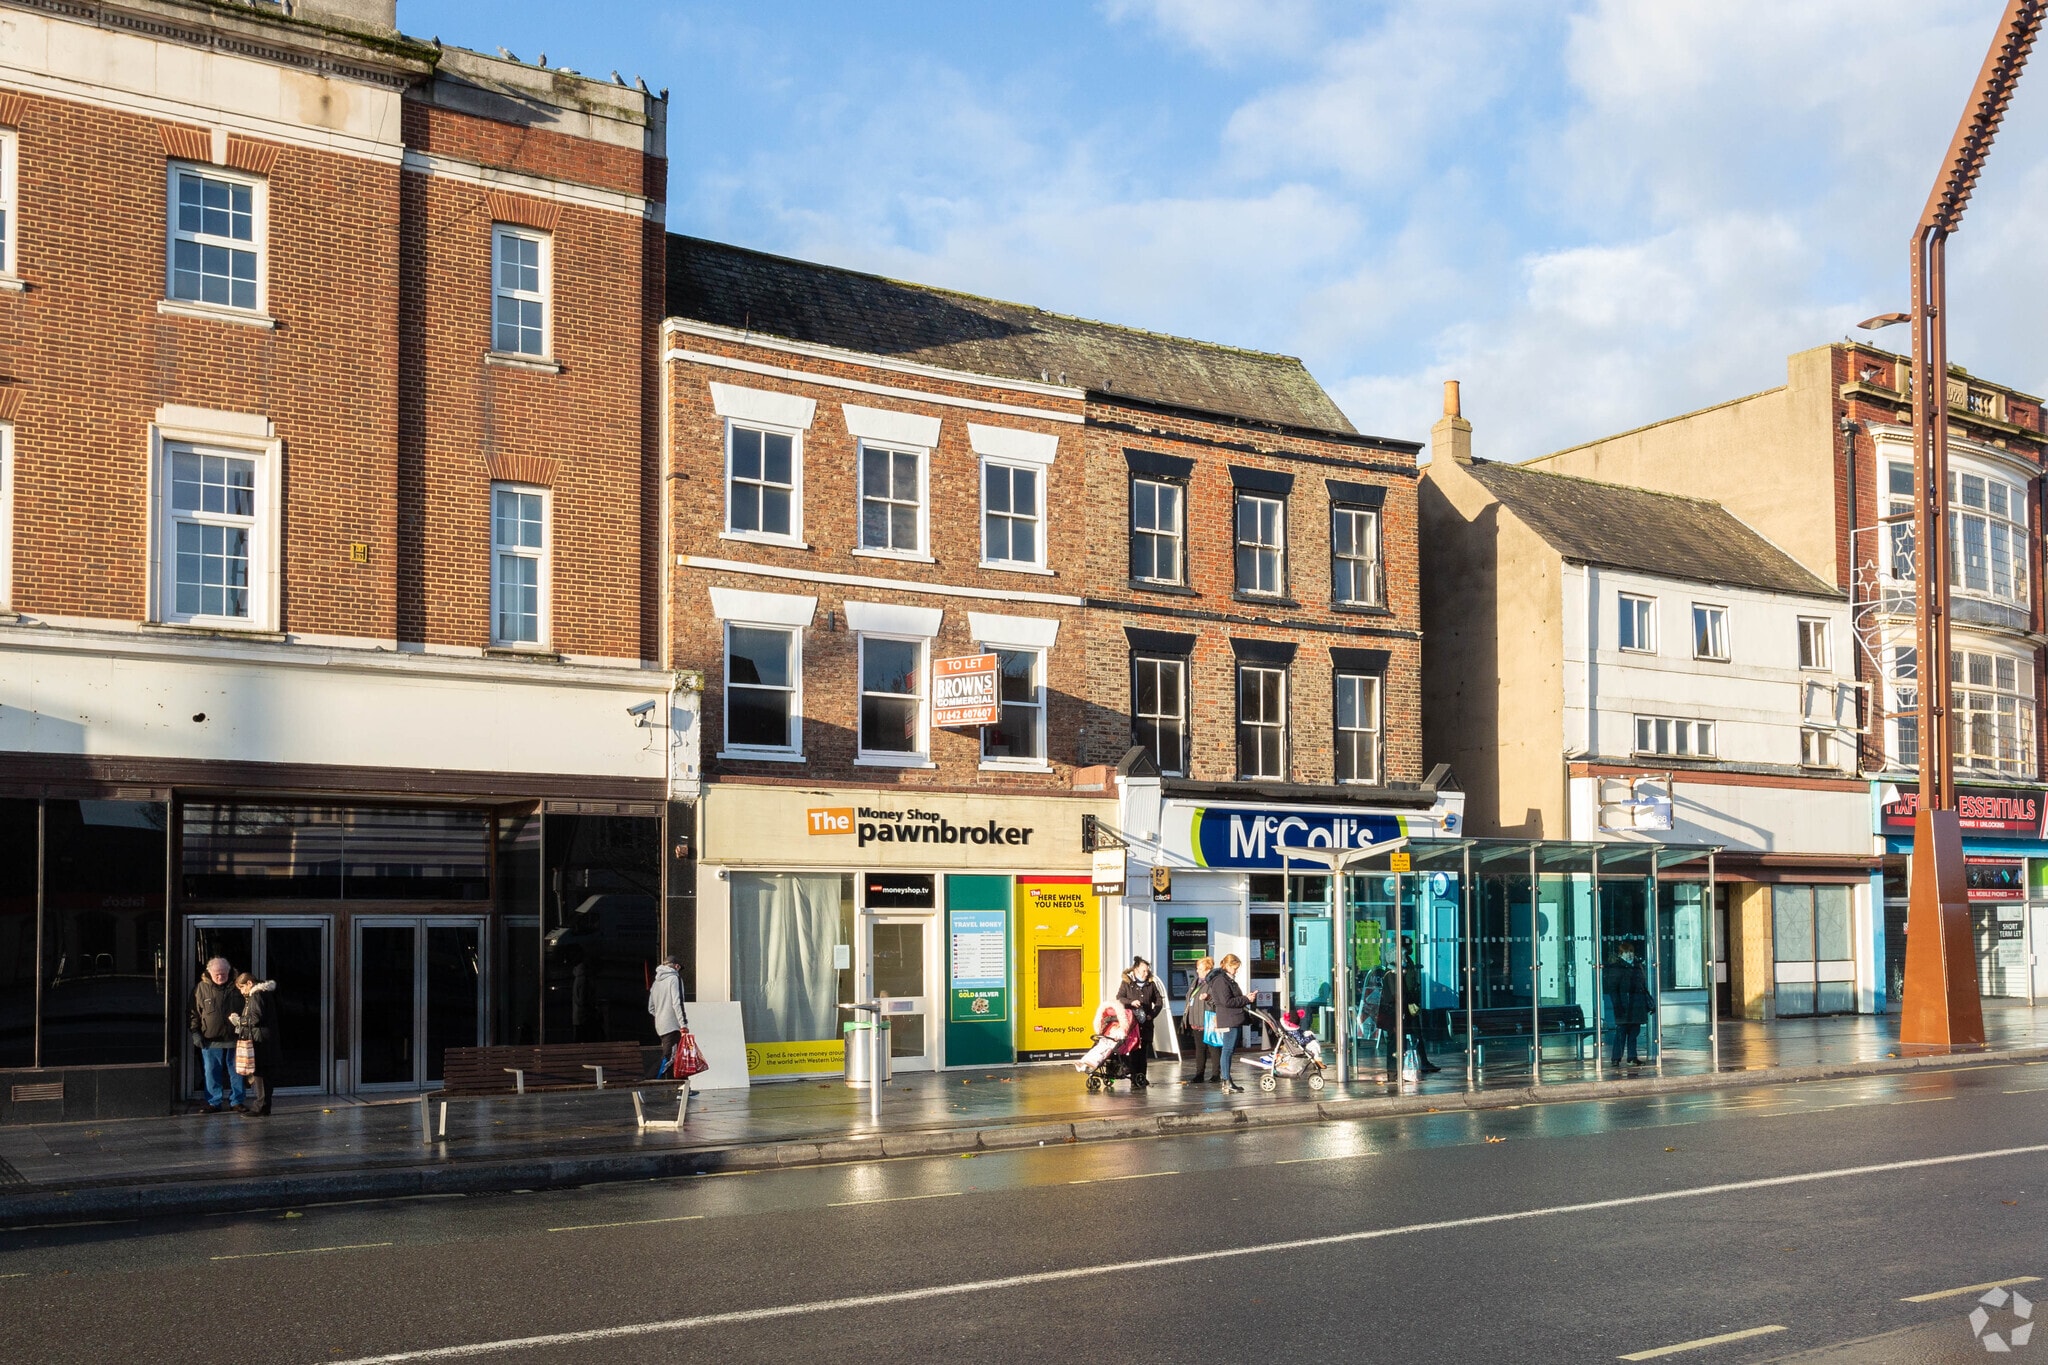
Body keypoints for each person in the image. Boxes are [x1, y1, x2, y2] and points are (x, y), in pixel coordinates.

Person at [190, 956, 246, 1113]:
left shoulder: (237, 986)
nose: (220, 976)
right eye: (217, 974)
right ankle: (214, 1102)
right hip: (210, 1038)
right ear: (209, 972)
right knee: (211, 1070)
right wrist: (195, 1032)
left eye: (223, 973)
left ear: (229, 971)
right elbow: (194, 1013)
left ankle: (237, 1101)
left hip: (236, 1038)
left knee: (237, 1071)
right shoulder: (200, 988)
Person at [1374, 943, 1440, 1075]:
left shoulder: (1397, 973)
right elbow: (1395, 995)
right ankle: (1394, 1072)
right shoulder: (1392, 974)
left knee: (1402, 1041)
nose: (1405, 960)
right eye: (1402, 957)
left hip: (1399, 1013)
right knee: (1395, 1043)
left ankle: (1400, 1070)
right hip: (1394, 1014)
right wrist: (1405, 1004)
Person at [228, 972, 277, 1117]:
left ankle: (260, 1106)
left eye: (242, 988)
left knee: (260, 1074)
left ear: (249, 983)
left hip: (260, 1040)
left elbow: (256, 1018)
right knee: (264, 1075)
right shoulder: (264, 993)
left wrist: (239, 1020)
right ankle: (264, 1105)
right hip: (265, 1039)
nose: (242, 992)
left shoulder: (256, 995)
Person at [1115, 957, 1165, 1089]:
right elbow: (1119, 998)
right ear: (1136, 970)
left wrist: (1152, 1015)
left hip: (1146, 1024)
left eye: (1147, 971)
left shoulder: (1151, 985)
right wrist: (1131, 1002)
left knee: (1143, 1052)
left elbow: (1159, 1001)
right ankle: (1133, 1077)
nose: (1146, 973)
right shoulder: (1127, 983)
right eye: (1143, 971)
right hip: (1132, 1024)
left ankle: (1141, 1076)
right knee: (1132, 1050)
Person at [1205, 954, 1251, 1093]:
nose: (1236, 971)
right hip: (1229, 1018)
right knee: (1227, 1050)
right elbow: (1227, 1002)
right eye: (1235, 968)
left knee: (1228, 1050)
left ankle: (1227, 1081)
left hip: (1232, 1018)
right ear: (1228, 966)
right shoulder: (1221, 981)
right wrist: (1246, 999)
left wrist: (1246, 999)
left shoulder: (1226, 979)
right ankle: (1226, 1081)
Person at [1606, 944, 1650, 1067]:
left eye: (1631, 951)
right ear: (1621, 954)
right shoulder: (1617, 968)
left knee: (1634, 1033)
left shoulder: (1637, 966)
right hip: (1624, 1005)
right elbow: (1613, 989)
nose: (1629, 954)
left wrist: (1647, 1003)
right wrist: (1617, 1005)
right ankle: (1616, 1058)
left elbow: (1643, 986)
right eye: (1626, 952)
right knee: (1621, 1032)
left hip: (1637, 1005)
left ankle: (1632, 1057)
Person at [1180, 954, 1216, 1085]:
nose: (1197, 971)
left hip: (1208, 1019)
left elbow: (1217, 999)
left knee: (1213, 1048)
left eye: (1200, 969)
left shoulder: (1213, 982)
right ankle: (1199, 1074)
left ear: (1208, 970)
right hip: (1196, 1020)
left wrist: (1208, 997)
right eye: (1197, 968)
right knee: (1199, 1049)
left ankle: (1216, 1074)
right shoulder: (1195, 981)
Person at [648, 955, 686, 1075]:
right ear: (676, 966)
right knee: (669, 1057)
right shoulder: (674, 979)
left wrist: (661, 1016)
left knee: (674, 1058)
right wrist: (683, 1024)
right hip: (673, 1026)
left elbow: (651, 1008)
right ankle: (648, 1083)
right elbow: (677, 1002)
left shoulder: (656, 983)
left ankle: (676, 1089)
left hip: (661, 1026)